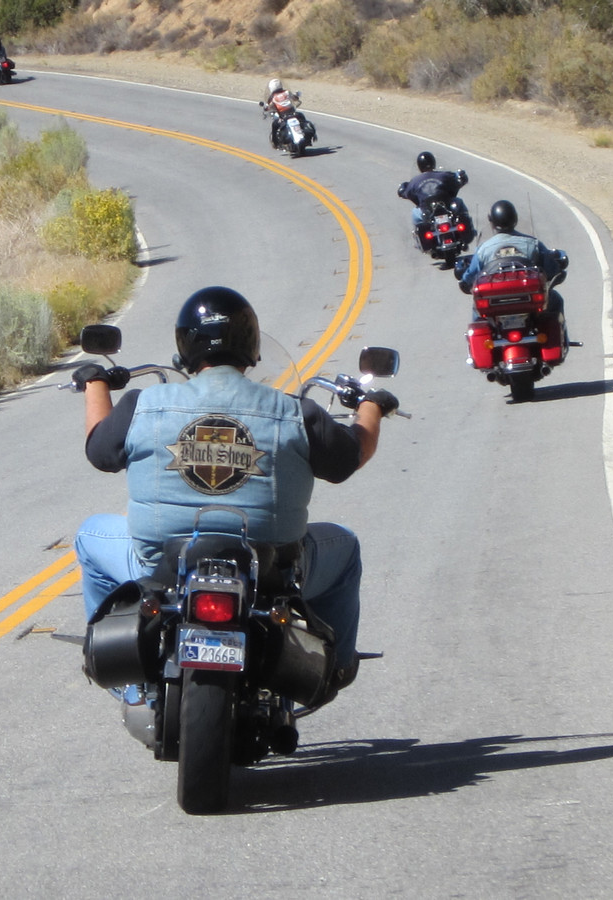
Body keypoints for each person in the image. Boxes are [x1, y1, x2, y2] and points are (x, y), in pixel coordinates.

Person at [72, 286, 398, 695]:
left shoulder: (143, 404)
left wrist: (95, 382)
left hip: (159, 566)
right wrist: (372, 406)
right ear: (251, 345)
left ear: (185, 346)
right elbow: (351, 455)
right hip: (271, 569)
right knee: (344, 547)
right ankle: (336, 666)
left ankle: (129, 685)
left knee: (90, 536)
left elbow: (100, 449)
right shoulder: (295, 412)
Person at [458, 199, 564, 300]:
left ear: (492, 222)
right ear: (515, 219)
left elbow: (469, 277)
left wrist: (465, 281)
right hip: (529, 297)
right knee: (555, 298)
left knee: (476, 307)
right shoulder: (533, 244)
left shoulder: (483, 250)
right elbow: (552, 269)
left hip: (493, 301)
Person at [397, 151, 469, 226]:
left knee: (415, 212)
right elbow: (458, 177)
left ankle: (420, 231)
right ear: (433, 163)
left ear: (419, 166)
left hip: (429, 211)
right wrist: (461, 175)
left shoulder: (414, 181)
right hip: (443, 208)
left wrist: (402, 189)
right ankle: (469, 228)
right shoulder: (444, 175)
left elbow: (405, 191)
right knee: (459, 202)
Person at [261, 78, 314, 150]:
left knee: (274, 125)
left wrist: (266, 108)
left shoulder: (273, 97)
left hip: (283, 116)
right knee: (302, 118)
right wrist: (296, 96)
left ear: (271, 88)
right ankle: (307, 135)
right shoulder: (287, 92)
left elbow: (269, 107)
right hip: (294, 114)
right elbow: (294, 98)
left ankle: (275, 143)